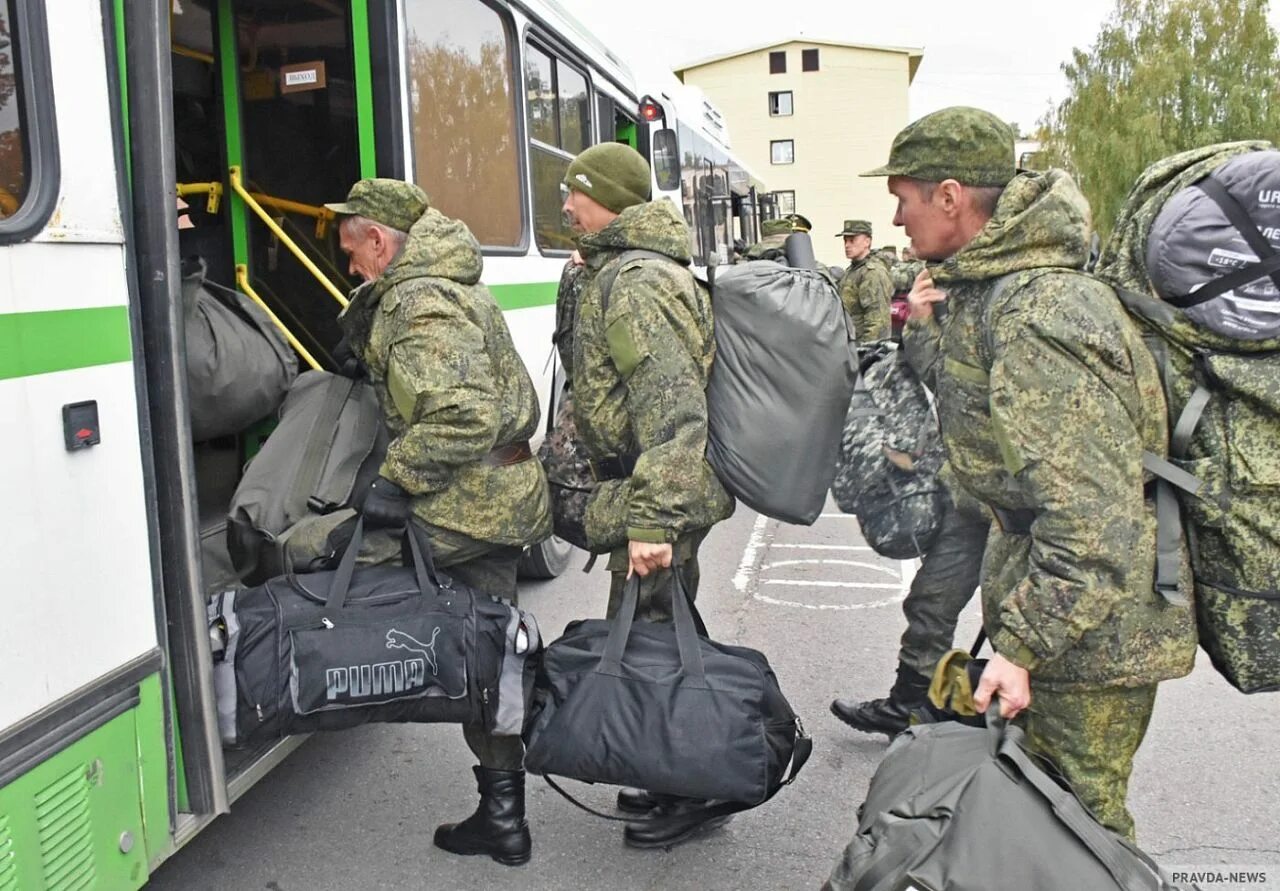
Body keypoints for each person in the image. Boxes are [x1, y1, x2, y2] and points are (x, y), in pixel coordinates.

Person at [859, 106, 1196, 840]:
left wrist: (1021, 646)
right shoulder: (993, 291)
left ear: (949, 197)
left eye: (904, 196)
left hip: (1093, 631)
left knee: (1079, 832)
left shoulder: (1040, 309)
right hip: (1063, 605)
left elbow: (1094, 517)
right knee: (1043, 822)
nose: (895, 216)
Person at [324, 178, 552, 866]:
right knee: (491, 655)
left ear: (378, 240)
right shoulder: (439, 285)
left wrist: (398, 479)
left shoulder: (420, 301)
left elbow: (461, 412)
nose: (350, 267)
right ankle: (504, 817)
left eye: (351, 251)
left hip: (468, 503)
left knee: (322, 559)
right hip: (492, 499)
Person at [558, 142, 735, 848]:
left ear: (610, 200)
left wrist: (654, 520)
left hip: (658, 490)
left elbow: (673, 412)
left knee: (658, 640)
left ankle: (697, 784)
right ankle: (677, 772)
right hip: (650, 487)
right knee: (657, 632)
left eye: (577, 192)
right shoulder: (620, 271)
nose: (566, 204)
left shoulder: (635, 282)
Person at [830, 484, 989, 737]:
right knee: (930, 602)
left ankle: (1019, 731)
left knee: (1021, 623)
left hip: (1037, 515)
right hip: (973, 504)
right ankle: (906, 709)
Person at [836, 219, 893, 342]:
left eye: (852, 240)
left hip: (862, 349)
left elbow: (878, 322)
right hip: (849, 345)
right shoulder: (853, 270)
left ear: (867, 241)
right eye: (845, 240)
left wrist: (866, 354)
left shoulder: (872, 273)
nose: (847, 245)